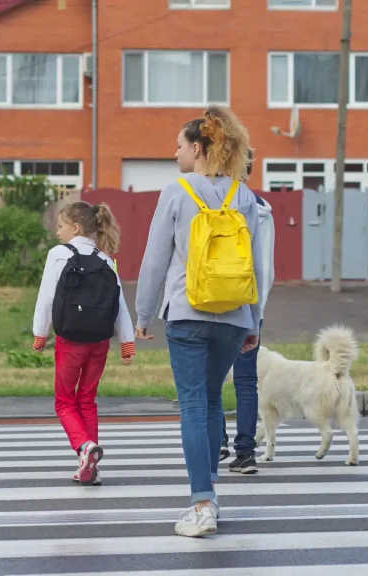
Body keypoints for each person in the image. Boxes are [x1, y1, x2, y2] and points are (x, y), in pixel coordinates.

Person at [134, 107, 266, 537]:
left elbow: (155, 259)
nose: (174, 154)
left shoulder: (176, 191)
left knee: (192, 404)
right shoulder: (243, 195)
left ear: (198, 147)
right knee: (211, 401)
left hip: (188, 312)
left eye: (178, 146)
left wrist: (142, 313)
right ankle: (210, 495)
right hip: (233, 315)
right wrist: (254, 322)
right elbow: (257, 267)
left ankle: (202, 503)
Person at [32, 201, 136, 486]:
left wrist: (40, 334)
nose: (57, 232)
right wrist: (127, 342)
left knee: (64, 401)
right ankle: (90, 468)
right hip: (99, 342)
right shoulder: (105, 259)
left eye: (60, 226)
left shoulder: (59, 254)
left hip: (70, 340)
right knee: (87, 400)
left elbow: (46, 297)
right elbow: (120, 305)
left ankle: (84, 448)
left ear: (75, 227)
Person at [221, 152, 276, 475]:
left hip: (214, 302)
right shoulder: (262, 209)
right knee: (245, 380)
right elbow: (265, 269)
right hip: (250, 304)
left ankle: (218, 443)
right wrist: (259, 312)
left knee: (210, 379)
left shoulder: (212, 202)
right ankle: (245, 452)